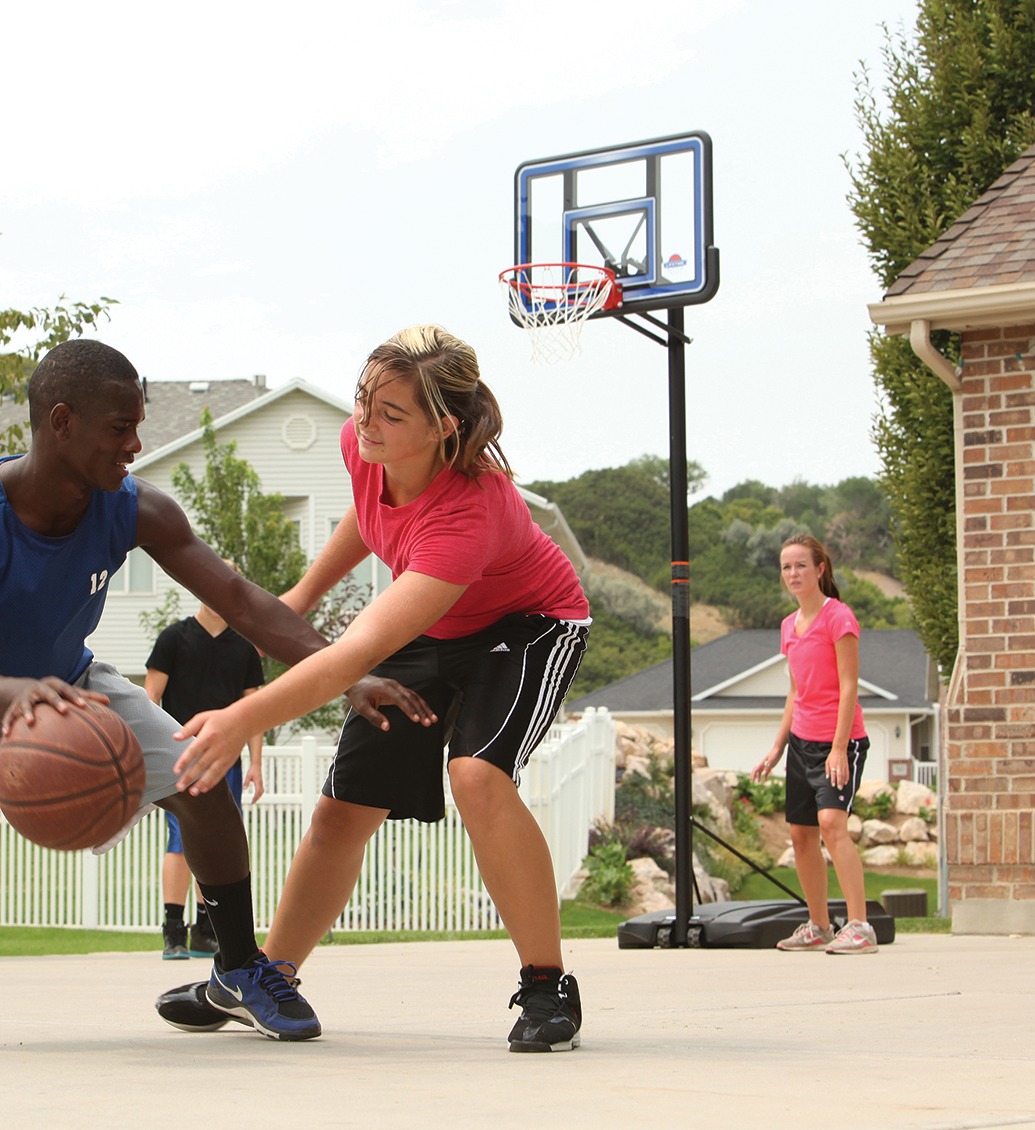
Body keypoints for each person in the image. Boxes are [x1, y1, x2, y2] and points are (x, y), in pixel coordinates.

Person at [157, 325, 591, 1052]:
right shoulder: (361, 446)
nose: (366, 422)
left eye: (391, 414)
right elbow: (371, 515)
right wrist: (297, 597)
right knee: (340, 811)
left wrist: (239, 717)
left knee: (477, 776)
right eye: (363, 402)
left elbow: (354, 653)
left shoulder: (471, 510)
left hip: (529, 626)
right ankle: (266, 978)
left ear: (443, 427)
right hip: (440, 621)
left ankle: (547, 986)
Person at [0, 338, 426, 1041]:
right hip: (20, 695)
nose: (136, 444)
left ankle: (238, 968)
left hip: (67, 686)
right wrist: (15, 695)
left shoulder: (135, 510)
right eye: (120, 428)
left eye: (138, 425)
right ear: (61, 422)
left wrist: (343, 670)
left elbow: (241, 599)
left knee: (198, 775)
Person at [750, 533, 877, 955]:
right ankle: (819, 925)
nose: (793, 574)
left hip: (839, 741)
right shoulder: (790, 626)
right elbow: (795, 692)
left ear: (820, 569)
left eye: (801, 565)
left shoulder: (838, 618)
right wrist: (776, 748)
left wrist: (840, 748)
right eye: (786, 567)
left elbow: (849, 686)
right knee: (801, 834)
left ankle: (860, 926)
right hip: (801, 741)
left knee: (831, 824)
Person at [145, 566, 266, 960]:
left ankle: (204, 931)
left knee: (218, 841)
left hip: (225, 760)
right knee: (180, 840)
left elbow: (254, 710)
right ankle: (173, 930)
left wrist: (256, 764)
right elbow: (150, 700)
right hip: (179, 758)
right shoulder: (173, 639)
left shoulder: (244, 648)